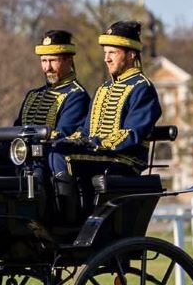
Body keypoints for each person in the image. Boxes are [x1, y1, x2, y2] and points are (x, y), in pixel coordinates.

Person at [49, 20, 161, 179]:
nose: (106, 59)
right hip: (100, 155)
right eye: (105, 53)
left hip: (125, 160)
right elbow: (86, 131)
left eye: (112, 53)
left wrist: (97, 143)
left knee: (61, 155)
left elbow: (132, 133)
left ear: (131, 54)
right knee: (54, 149)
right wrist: (67, 141)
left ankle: (65, 197)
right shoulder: (103, 88)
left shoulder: (142, 88)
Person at [15, 29, 89, 137]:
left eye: (53, 60)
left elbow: (62, 135)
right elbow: (16, 131)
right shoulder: (32, 95)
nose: (47, 68)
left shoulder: (76, 96)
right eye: (44, 61)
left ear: (69, 60)